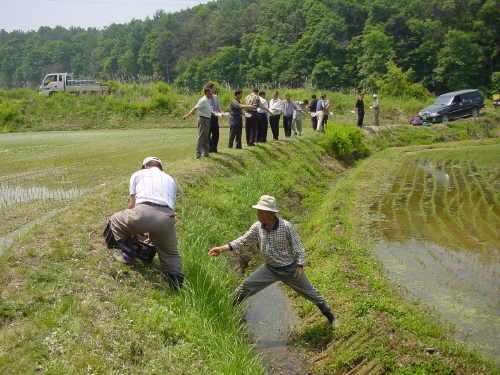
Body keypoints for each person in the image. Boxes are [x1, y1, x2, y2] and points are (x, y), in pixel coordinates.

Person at [208, 195, 336, 326]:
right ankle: (224, 312)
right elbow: (243, 240)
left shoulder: (286, 227)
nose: (257, 214)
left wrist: (300, 265)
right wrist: (222, 248)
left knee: (312, 294)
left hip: (290, 269)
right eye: (258, 211)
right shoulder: (258, 226)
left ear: (270, 213)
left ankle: (332, 319)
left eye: (261, 212)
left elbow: (298, 247)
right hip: (270, 269)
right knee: (245, 287)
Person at [107, 157, 184, 288]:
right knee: (170, 253)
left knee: (115, 219)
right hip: (167, 217)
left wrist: (136, 228)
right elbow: (169, 208)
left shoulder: (138, 174)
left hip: (143, 211)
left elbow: (132, 205)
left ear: (145, 166)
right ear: (160, 168)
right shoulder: (170, 179)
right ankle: (176, 285)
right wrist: (151, 233)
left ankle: (128, 253)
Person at [182, 88, 213, 159]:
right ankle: (198, 155)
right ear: (206, 93)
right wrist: (187, 115)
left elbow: (208, 109)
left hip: (208, 119)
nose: (212, 94)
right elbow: (195, 108)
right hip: (203, 120)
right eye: (210, 92)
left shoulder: (208, 100)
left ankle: (206, 153)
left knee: (206, 137)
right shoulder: (203, 100)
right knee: (201, 137)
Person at [207, 84, 222, 153]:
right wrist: (214, 113)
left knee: (216, 133)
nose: (212, 90)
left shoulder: (216, 97)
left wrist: (221, 112)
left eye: (213, 88)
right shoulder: (206, 98)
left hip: (215, 117)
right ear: (208, 90)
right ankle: (210, 148)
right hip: (208, 117)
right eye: (211, 88)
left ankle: (214, 148)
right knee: (208, 133)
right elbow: (208, 109)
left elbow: (218, 106)